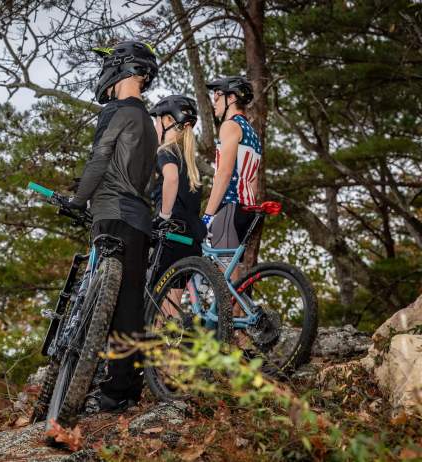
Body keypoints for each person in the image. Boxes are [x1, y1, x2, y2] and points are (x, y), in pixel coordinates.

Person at [70, 41, 159, 412]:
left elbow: (100, 158)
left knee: (100, 299)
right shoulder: (150, 123)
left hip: (110, 210)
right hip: (139, 219)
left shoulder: (116, 111)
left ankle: (93, 384)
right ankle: (120, 393)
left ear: (122, 68)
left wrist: (77, 200)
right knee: (129, 306)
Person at [202, 76, 260, 280]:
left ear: (232, 97)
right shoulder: (251, 132)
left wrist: (208, 216)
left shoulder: (230, 126)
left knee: (226, 279)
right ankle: (242, 312)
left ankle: (234, 312)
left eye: (217, 96)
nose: (214, 102)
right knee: (235, 279)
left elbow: (224, 173)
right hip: (247, 209)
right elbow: (253, 181)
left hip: (230, 207)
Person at [149, 95, 206, 284]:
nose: (155, 127)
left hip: (171, 236)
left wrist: (164, 216)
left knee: (156, 307)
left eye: (156, 121)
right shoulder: (190, 163)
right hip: (192, 240)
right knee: (171, 309)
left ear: (167, 121)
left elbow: (171, 178)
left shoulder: (165, 151)